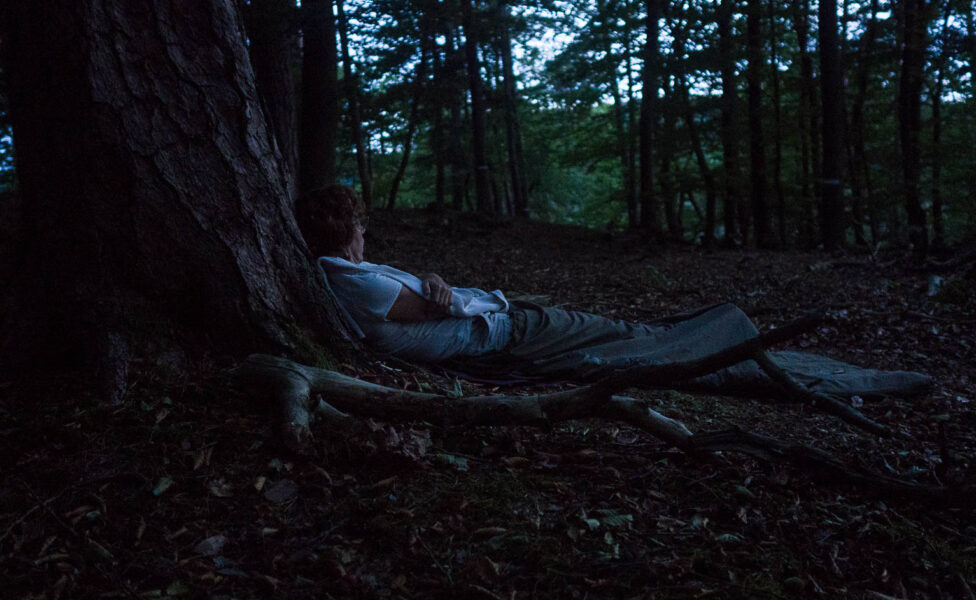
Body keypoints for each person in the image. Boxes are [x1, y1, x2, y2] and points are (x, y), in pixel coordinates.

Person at [297, 185, 932, 399]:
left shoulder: (351, 276)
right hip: (517, 335)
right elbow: (431, 306)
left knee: (642, 338)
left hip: (512, 326)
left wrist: (434, 279)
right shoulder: (351, 283)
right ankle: (823, 374)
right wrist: (439, 288)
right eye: (358, 223)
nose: (365, 230)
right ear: (343, 230)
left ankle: (783, 359)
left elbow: (425, 292)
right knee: (645, 346)